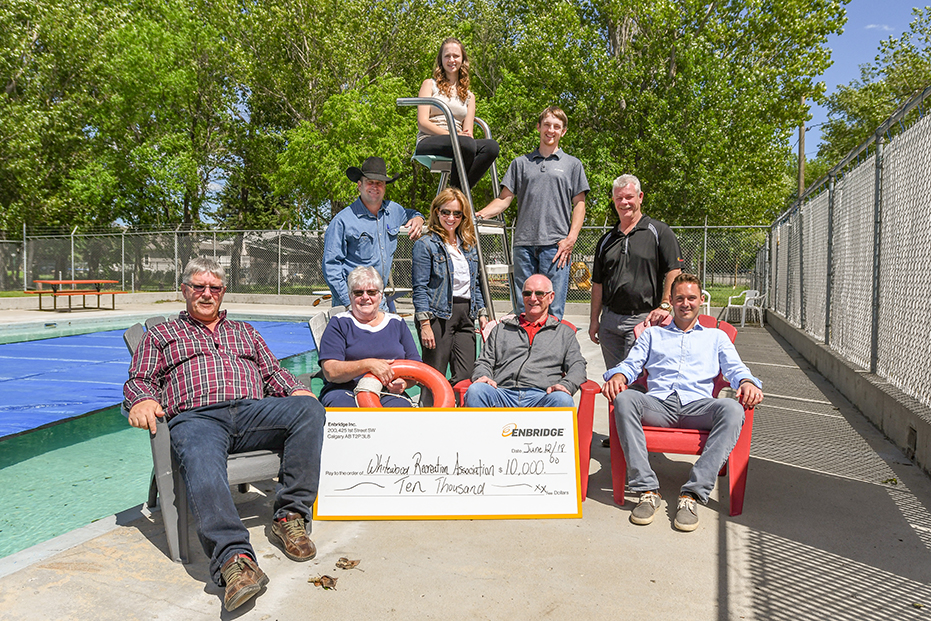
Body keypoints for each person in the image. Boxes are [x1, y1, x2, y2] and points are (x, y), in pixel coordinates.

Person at [123, 257, 326, 612]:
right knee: (199, 454)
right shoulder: (162, 334)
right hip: (197, 418)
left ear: (222, 292)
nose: (206, 293)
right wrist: (141, 399)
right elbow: (140, 379)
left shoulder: (245, 331)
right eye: (198, 287)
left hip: (251, 412)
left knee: (310, 410)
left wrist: (296, 389)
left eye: (214, 288)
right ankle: (235, 561)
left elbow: (273, 373)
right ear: (184, 290)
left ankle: (289, 517)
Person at [601, 273, 763, 532]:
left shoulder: (716, 337)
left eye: (691, 298)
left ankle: (693, 494)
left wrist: (746, 382)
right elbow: (632, 364)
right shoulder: (653, 335)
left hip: (698, 407)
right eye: (679, 298)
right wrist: (619, 375)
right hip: (658, 405)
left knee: (732, 409)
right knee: (625, 399)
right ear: (672, 302)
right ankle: (647, 490)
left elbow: (735, 368)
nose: (685, 303)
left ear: (700, 300)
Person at [475, 106, 589, 319]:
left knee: (553, 309)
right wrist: (478, 215)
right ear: (538, 127)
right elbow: (503, 199)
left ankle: (550, 351)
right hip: (524, 246)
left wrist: (571, 239)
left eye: (556, 126)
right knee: (523, 307)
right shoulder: (520, 164)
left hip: (557, 247)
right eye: (546, 124)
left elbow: (580, 205)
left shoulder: (573, 165)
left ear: (563, 131)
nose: (551, 130)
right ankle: (524, 349)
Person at [589, 174, 684, 370]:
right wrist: (594, 321)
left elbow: (674, 270)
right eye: (619, 198)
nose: (624, 202)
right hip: (610, 323)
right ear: (614, 200)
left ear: (640, 197)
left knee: (637, 385)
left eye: (629, 197)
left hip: (643, 320)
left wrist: (665, 305)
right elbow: (597, 283)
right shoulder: (606, 240)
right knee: (614, 382)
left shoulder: (659, 231)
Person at [412, 187, 489, 404]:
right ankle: (429, 415)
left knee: (465, 375)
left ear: (463, 216)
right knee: (434, 374)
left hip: (466, 315)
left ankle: (456, 418)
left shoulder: (469, 245)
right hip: (438, 316)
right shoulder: (426, 244)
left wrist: (482, 313)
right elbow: (419, 287)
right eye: (446, 212)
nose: (451, 217)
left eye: (457, 213)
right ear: (436, 212)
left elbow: (475, 283)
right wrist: (425, 323)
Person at [464, 274, 586, 408]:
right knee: (476, 391)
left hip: (543, 396)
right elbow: (484, 361)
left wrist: (566, 384)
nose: (533, 299)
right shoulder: (502, 329)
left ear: (551, 297)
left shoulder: (563, 333)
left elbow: (577, 365)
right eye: (528, 293)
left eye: (540, 294)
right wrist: (483, 376)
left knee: (562, 399)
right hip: (502, 393)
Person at [323, 156, 425, 308]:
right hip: (353, 301)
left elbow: (411, 213)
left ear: (385, 186)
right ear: (359, 185)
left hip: (379, 300)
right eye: (370, 182)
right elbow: (331, 266)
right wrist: (348, 302)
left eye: (380, 183)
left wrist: (418, 218)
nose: (375, 186)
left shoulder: (394, 210)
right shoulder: (342, 221)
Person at [318, 266, 422, 407]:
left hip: (388, 391)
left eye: (371, 292)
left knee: (400, 412)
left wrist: (404, 383)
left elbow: (416, 368)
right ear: (350, 297)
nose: (365, 297)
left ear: (380, 296)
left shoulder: (396, 323)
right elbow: (330, 371)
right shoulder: (339, 323)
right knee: (345, 412)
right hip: (344, 390)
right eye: (358, 292)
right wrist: (369, 365)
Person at [414, 37, 499, 190]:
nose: (451, 60)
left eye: (456, 56)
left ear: (462, 60)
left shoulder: (469, 96)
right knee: (465, 143)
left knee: (491, 147)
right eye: (447, 56)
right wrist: (452, 134)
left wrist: (460, 136)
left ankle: (454, 195)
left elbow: (468, 133)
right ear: (441, 59)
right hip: (430, 139)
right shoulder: (430, 85)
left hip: (460, 143)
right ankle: (455, 198)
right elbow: (423, 122)